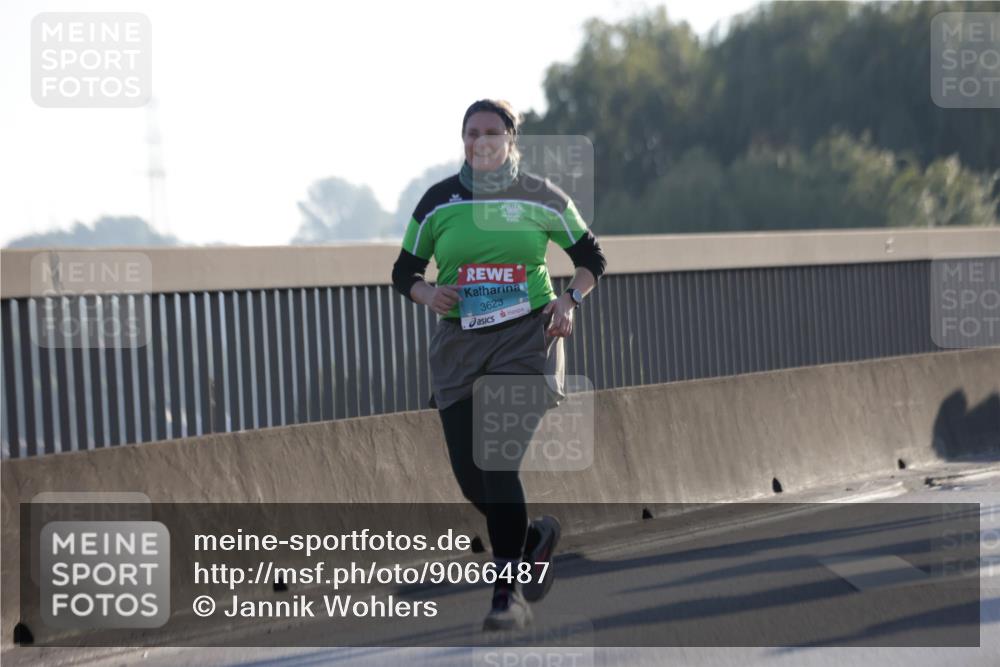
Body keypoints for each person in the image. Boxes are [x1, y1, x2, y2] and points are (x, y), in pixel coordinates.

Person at [391, 99, 607, 630]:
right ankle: (531, 537)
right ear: (462, 141)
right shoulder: (438, 202)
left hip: (525, 339)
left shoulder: (542, 197)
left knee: (497, 459)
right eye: (471, 133)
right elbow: (403, 271)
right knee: (471, 478)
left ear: (512, 141)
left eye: (492, 132)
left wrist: (568, 302)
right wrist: (428, 293)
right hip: (459, 346)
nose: (480, 141)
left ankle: (506, 594)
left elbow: (591, 259)